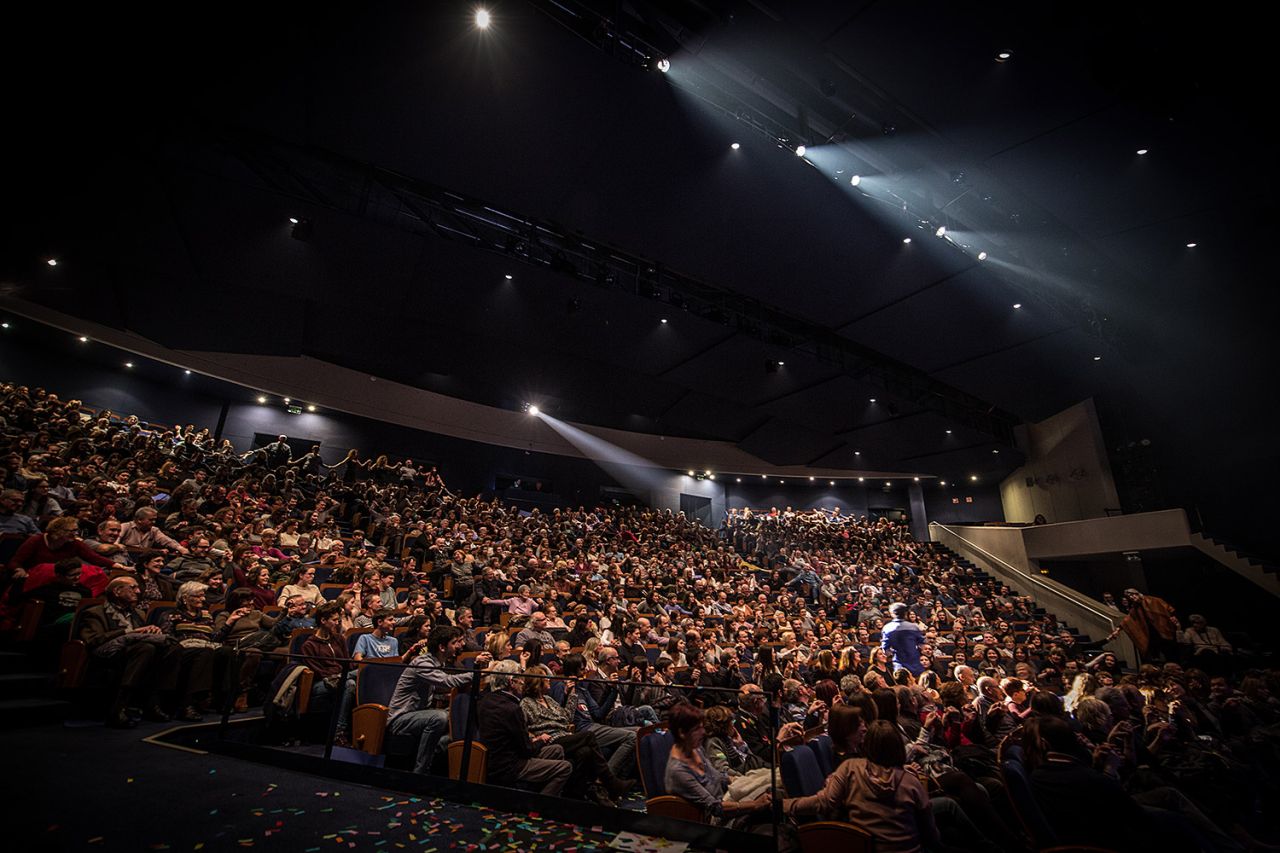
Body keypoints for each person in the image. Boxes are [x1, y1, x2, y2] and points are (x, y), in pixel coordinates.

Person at [784, 720, 939, 853]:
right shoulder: (911, 781)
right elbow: (931, 835)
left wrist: (781, 804)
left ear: (867, 744)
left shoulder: (850, 768)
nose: (863, 729)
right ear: (899, 747)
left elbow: (822, 802)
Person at [386, 625, 492, 774]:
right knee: (439, 717)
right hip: (400, 718)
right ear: (442, 647)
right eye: (455, 642)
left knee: (458, 715)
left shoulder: (438, 662)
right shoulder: (422, 663)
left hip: (420, 714)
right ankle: (420, 772)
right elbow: (448, 682)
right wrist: (480, 673)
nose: (460, 645)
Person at [78, 576, 182, 727]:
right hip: (109, 654)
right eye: (133, 588)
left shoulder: (138, 613)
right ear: (118, 591)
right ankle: (119, 706)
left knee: (173, 648)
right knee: (145, 648)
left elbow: (141, 635)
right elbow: (94, 640)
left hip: (136, 652)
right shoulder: (95, 613)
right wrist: (129, 632)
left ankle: (154, 702)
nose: (138, 591)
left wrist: (153, 631)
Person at [663, 702, 771, 825]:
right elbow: (715, 808)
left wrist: (746, 781)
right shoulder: (678, 771)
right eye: (697, 729)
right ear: (682, 733)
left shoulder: (695, 748)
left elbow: (719, 776)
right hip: (713, 819)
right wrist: (755, 804)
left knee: (771, 786)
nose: (703, 732)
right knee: (769, 807)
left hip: (728, 798)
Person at [477, 660, 573, 795]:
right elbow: (526, 750)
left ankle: (533, 792)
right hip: (510, 765)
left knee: (557, 750)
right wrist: (540, 740)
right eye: (521, 679)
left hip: (499, 758)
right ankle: (538, 805)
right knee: (565, 768)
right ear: (512, 682)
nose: (523, 683)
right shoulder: (512, 709)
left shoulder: (486, 700)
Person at [1107, 587, 1180, 663]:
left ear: (1137, 594)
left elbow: (1167, 608)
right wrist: (1118, 629)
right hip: (1151, 633)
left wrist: (1173, 616)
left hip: (1162, 629)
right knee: (1155, 654)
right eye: (1129, 597)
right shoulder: (1135, 607)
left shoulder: (1152, 600)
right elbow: (1128, 620)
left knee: (1171, 651)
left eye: (1132, 595)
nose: (1132, 597)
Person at [881, 602, 926, 676]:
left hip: (899, 665)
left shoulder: (887, 628)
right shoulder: (913, 627)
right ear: (905, 613)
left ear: (892, 613)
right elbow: (922, 644)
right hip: (915, 664)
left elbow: (885, 650)